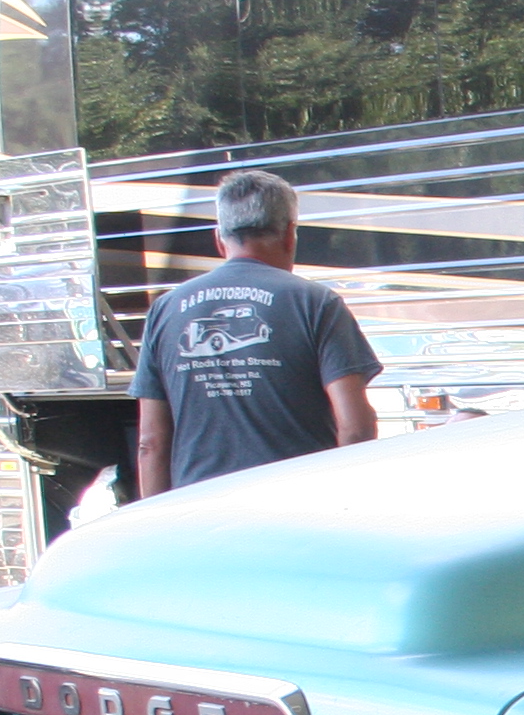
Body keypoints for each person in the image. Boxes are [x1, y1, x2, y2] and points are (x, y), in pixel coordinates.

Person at [133, 171, 380, 494]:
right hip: (299, 508)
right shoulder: (316, 303)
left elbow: (150, 443)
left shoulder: (165, 310)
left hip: (201, 516)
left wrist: (157, 528)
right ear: (290, 234)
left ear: (219, 239)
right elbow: (356, 429)